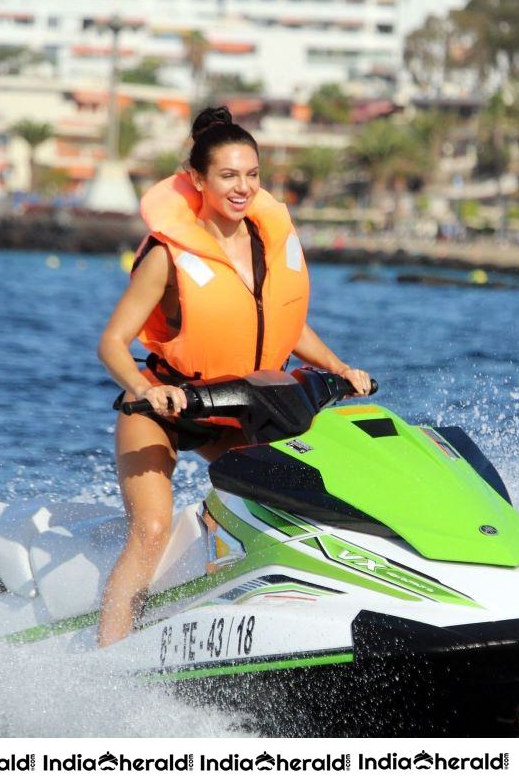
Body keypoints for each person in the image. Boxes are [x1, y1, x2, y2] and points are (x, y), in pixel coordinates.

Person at [95, 107, 370, 647]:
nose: (243, 188)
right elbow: (111, 343)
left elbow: (282, 322)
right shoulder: (167, 254)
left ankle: (261, 625)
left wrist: (336, 366)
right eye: (228, 176)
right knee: (150, 531)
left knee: (285, 509)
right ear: (197, 180)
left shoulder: (268, 244)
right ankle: (108, 655)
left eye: (252, 175)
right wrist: (149, 390)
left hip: (239, 411)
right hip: (165, 411)